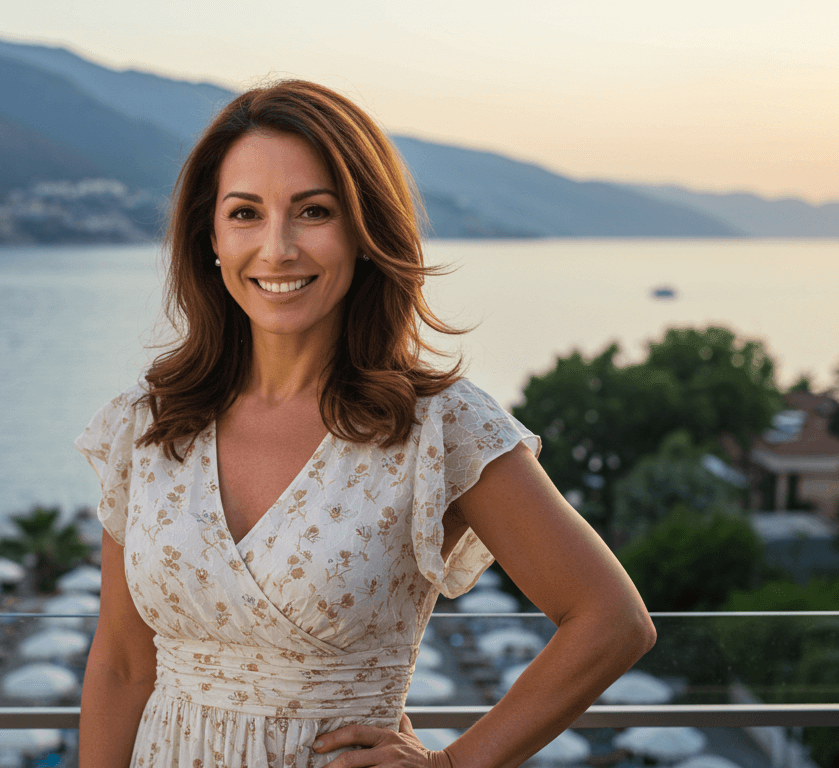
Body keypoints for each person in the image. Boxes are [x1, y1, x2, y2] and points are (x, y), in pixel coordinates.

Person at [75, 79, 655, 768]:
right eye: (246, 214)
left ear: (364, 231)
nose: (278, 247)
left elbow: (611, 621)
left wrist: (453, 765)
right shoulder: (148, 424)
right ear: (211, 239)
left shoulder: (438, 427)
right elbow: (120, 667)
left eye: (313, 211)